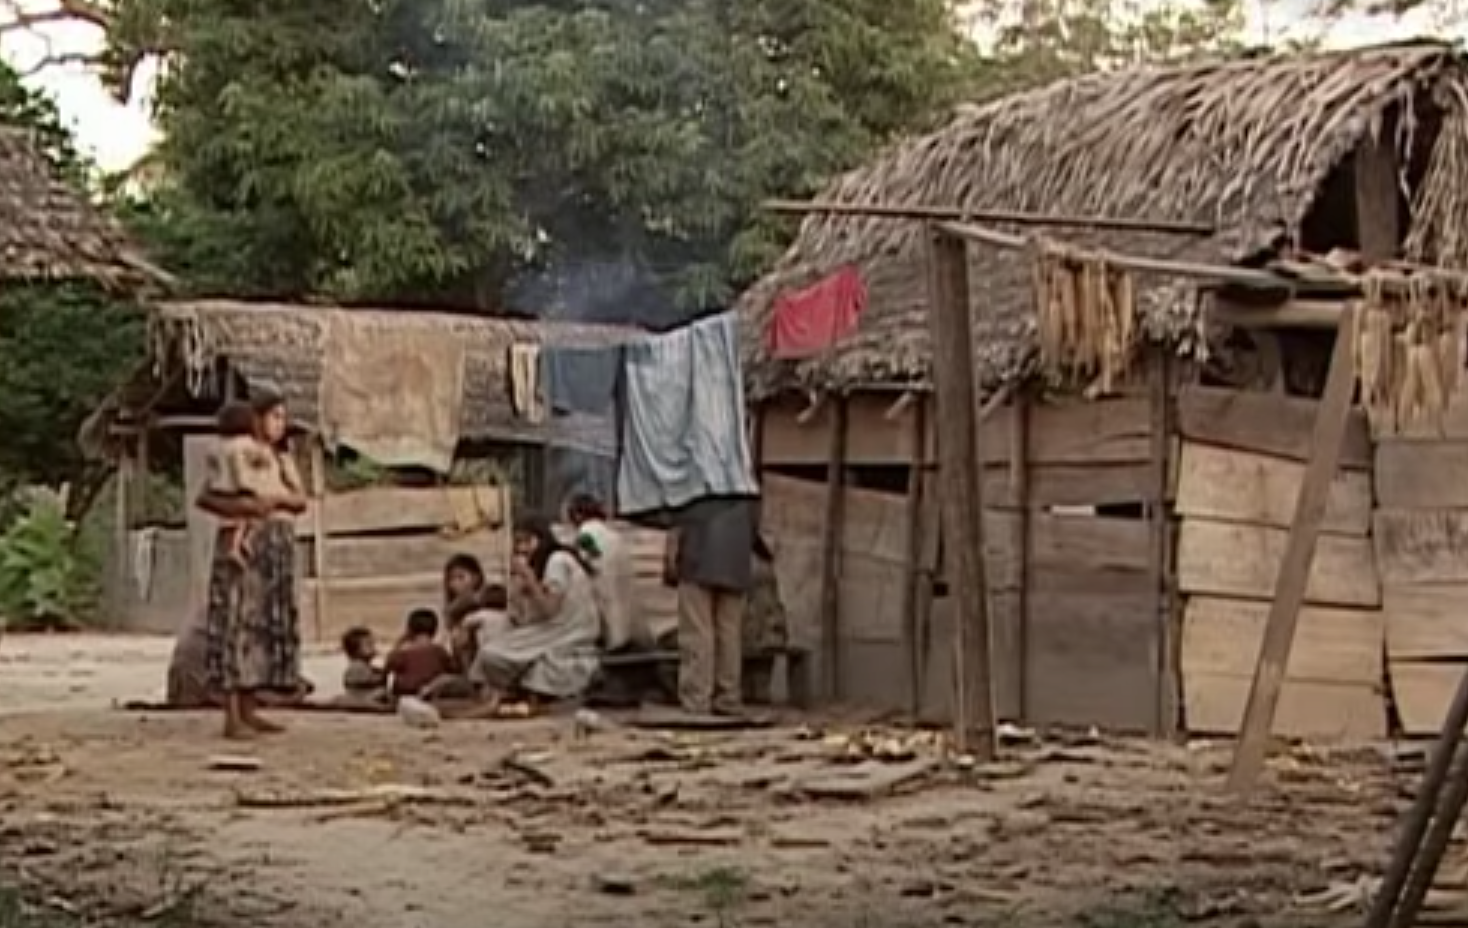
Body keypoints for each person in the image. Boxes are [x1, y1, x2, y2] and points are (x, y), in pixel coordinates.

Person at [199, 386, 309, 739]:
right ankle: (232, 714)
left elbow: (299, 500)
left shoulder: (279, 459)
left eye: (283, 418)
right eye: (274, 416)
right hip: (247, 544)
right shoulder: (237, 455)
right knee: (235, 623)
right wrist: (249, 508)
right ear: (256, 419)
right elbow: (208, 497)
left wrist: (274, 501)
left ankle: (250, 708)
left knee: (262, 629)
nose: (280, 424)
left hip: (275, 545)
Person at [467, 515, 601, 710]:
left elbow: (549, 610)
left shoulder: (557, 561)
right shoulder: (538, 567)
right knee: (491, 649)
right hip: (548, 631)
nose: (522, 548)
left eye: (526, 541)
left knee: (493, 654)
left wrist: (529, 580)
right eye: (518, 543)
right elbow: (519, 618)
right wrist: (518, 587)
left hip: (567, 632)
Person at [665, 497, 757, 716]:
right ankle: (728, 697)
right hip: (736, 558)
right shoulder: (744, 477)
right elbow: (755, 523)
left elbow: (678, 520)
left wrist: (671, 558)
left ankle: (697, 698)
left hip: (698, 556)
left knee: (697, 631)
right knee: (729, 633)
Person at [566, 493, 639, 651]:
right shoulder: (614, 535)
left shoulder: (586, 533)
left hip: (601, 590)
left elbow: (593, 556)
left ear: (578, 515)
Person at [206, 401, 270, 568]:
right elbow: (261, 457)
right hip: (240, 486)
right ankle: (243, 542)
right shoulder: (245, 442)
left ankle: (235, 545)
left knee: (234, 519)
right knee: (254, 515)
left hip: (221, 488)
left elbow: (211, 462)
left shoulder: (218, 445)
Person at [743, 534, 789, 705]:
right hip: (769, 628)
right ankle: (759, 694)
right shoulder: (765, 563)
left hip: (756, 630)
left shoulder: (748, 564)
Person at [384, 609, 457, 698]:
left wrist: (399, 643)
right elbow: (452, 669)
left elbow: (388, 669)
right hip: (432, 691)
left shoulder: (402, 652)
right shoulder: (439, 651)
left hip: (406, 690)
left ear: (410, 629)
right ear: (434, 630)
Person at [340, 626, 389, 704]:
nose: (374, 648)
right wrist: (386, 672)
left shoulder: (366, 666)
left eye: (373, 644)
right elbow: (369, 680)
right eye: (369, 645)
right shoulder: (357, 666)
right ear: (355, 650)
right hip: (361, 699)